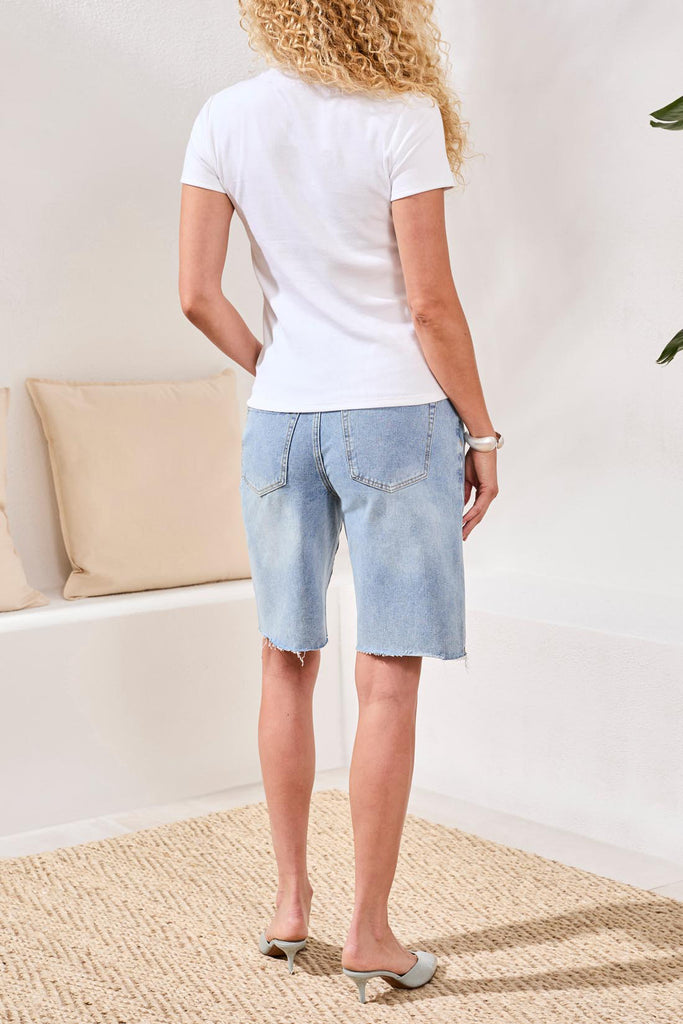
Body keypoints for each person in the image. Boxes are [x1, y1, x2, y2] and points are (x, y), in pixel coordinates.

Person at [178, 0, 500, 1004]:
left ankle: (289, 902)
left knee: (284, 655)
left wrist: (273, 366)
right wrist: (481, 433)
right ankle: (368, 932)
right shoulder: (398, 111)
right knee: (387, 675)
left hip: (280, 419)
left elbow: (195, 292)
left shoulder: (224, 116)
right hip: (395, 414)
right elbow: (430, 304)